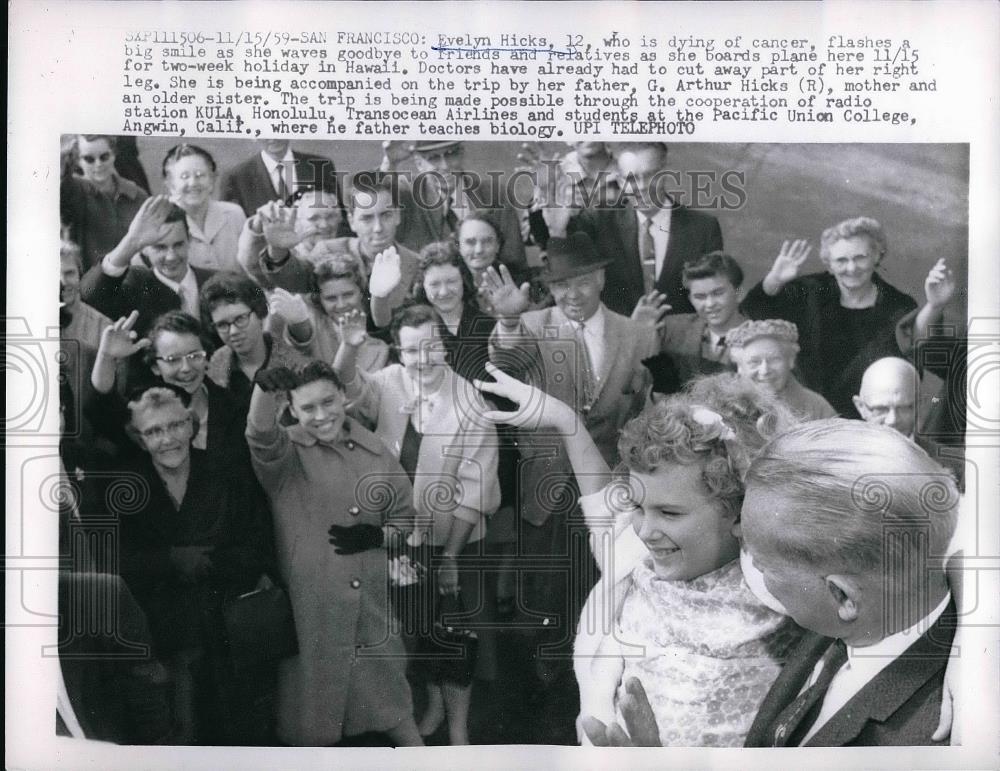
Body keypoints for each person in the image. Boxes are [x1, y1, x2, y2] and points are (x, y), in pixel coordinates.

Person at [475, 367, 804, 747]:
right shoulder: (635, 561)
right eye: (638, 507)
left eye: (670, 513)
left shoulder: (777, 585)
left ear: (743, 511)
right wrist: (565, 422)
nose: (645, 530)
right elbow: (601, 498)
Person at [483, 232, 657, 743]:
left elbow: (638, 408)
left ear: (601, 277)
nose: (571, 293)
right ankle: (543, 715)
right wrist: (510, 317)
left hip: (608, 497)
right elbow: (505, 362)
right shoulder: (530, 327)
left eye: (581, 280)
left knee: (604, 599)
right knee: (543, 605)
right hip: (545, 496)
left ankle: (597, 705)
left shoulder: (632, 333)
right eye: (559, 285)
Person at [335, 304, 500, 746]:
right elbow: (345, 386)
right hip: (399, 542)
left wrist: (449, 558)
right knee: (418, 633)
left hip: (453, 543)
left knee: (455, 637)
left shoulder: (471, 402)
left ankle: (459, 729)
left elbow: (475, 492)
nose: (421, 360)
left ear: (445, 345)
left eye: (431, 348)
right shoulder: (389, 382)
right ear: (398, 351)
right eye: (411, 350)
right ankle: (433, 707)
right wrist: (349, 347)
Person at [739, 419, 960, 746]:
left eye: (762, 564)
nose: (751, 573)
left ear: (842, 597)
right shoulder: (865, 607)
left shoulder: (925, 744)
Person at [245, 361, 422, 747]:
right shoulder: (286, 454)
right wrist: (261, 392)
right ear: (291, 409)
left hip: (370, 604)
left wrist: (379, 536)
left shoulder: (377, 453)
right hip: (313, 609)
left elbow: (405, 520)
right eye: (308, 408)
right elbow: (259, 435)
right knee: (313, 724)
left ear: (343, 395)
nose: (321, 415)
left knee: (391, 707)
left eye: (328, 401)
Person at [118, 386, 274, 744]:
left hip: (229, 628)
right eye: (154, 431)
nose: (167, 439)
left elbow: (258, 542)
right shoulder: (125, 484)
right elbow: (118, 560)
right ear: (140, 440)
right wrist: (169, 561)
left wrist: (210, 563)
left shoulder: (228, 472)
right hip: (165, 635)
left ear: (191, 425)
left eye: (175, 426)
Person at [740, 220, 920, 417]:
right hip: (805, 415)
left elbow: (909, 372)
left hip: (869, 420)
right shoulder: (809, 291)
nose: (851, 268)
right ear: (829, 264)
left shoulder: (900, 307)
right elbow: (753, 311)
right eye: (841, 260)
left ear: (877, 256)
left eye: (860, 257)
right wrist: (775, 279)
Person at [558, 142, 724, 316]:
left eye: (651, 175)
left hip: (682, 339)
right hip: (618, 338)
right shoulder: (598, 222)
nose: (643, 186)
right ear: (620, 181)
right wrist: (557, 230)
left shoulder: (703, 228)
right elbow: (570, 274)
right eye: (631, 178)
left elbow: (715, 294)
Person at [89, 311, 250, 475]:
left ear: (207, 358)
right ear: (155, 367)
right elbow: (105, 410)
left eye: (195, 356)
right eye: (173, 360)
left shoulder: (236, 409)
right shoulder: (141, 411)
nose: (186, 368)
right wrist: (106, 357)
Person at [379, 140, 528, 272]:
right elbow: (380, 200)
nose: (445, 165)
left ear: (462, 153)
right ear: (419, 164)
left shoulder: (494, 194)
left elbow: (514, 261)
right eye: (434, 158)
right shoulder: (410, 197)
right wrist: (390, 165)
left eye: (451, 154)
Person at [80, 195, 216, 336]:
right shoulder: (135, 287)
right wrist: (131, 241)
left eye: (178, 244)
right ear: (144, 248)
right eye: (160, 248)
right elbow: (90, 295)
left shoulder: (215, 281)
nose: (171, 256)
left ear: (190, 240)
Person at [637, 251, 748, 391]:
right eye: (700, 297)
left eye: (718, 293)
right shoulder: (670, 329)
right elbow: (641, 382)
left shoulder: (762, 338)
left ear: (740, 293)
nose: (709, 304)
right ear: (690, 300)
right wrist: (636, 335)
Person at [199, 271, 307, 407]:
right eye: (222, 324)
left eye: (240, 319)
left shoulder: (295, 364)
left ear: (260, 312)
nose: (233, 331)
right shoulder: (216, 366)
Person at [853, 357, 964, 489]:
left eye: (904, 408)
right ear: (860, 407)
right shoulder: (839, 466)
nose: (892, 420)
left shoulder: (959, 466)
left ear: (920, 404)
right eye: (880, 409)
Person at [266, 256, 389, 374]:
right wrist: (299, 324)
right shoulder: (313, 322)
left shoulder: (379, 347)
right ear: (319, 299)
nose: (341, 305)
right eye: (331, 298)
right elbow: (303, 342)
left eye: (348, 295)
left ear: (361, 293)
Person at [61, 134, 148, 271]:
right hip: (88, 284)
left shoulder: (137, 196)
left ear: (114, 155)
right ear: (78, 161)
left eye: (104, 157)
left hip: (130, 283)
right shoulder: (73, 192)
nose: (98, 164)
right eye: (89, 159)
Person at [236, 189, 354, 291]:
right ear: (298, 221)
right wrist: (257, 225)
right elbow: (253, 266)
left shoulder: (349, 250)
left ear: (339, 218)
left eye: (330, 216)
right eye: (314, 218)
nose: (324, 225)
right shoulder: (286, 257)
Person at [728, 319, 837, 421]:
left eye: (774, 360)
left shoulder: (817, 406)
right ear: (740, 367)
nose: (764, 370)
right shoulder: (725, 406)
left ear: (790, 361)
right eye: (754, 362)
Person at [161, 144, 246, 273]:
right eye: (184, 177)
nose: (193, 183)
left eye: (200, 175)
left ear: (212, 180)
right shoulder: (158, 219)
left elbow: (250, 268)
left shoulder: (234, 214)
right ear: (171, 184)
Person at [519, 141, 620, 249]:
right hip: (572, 259)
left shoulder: (629, 166)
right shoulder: (554, 171)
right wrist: (544, 194)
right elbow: (529, 236)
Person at [221, 138, 346, 224]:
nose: (274, 137)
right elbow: (233, 228)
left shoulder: (320, 166)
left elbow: (340, 217)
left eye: (280, 127)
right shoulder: (236, 177)